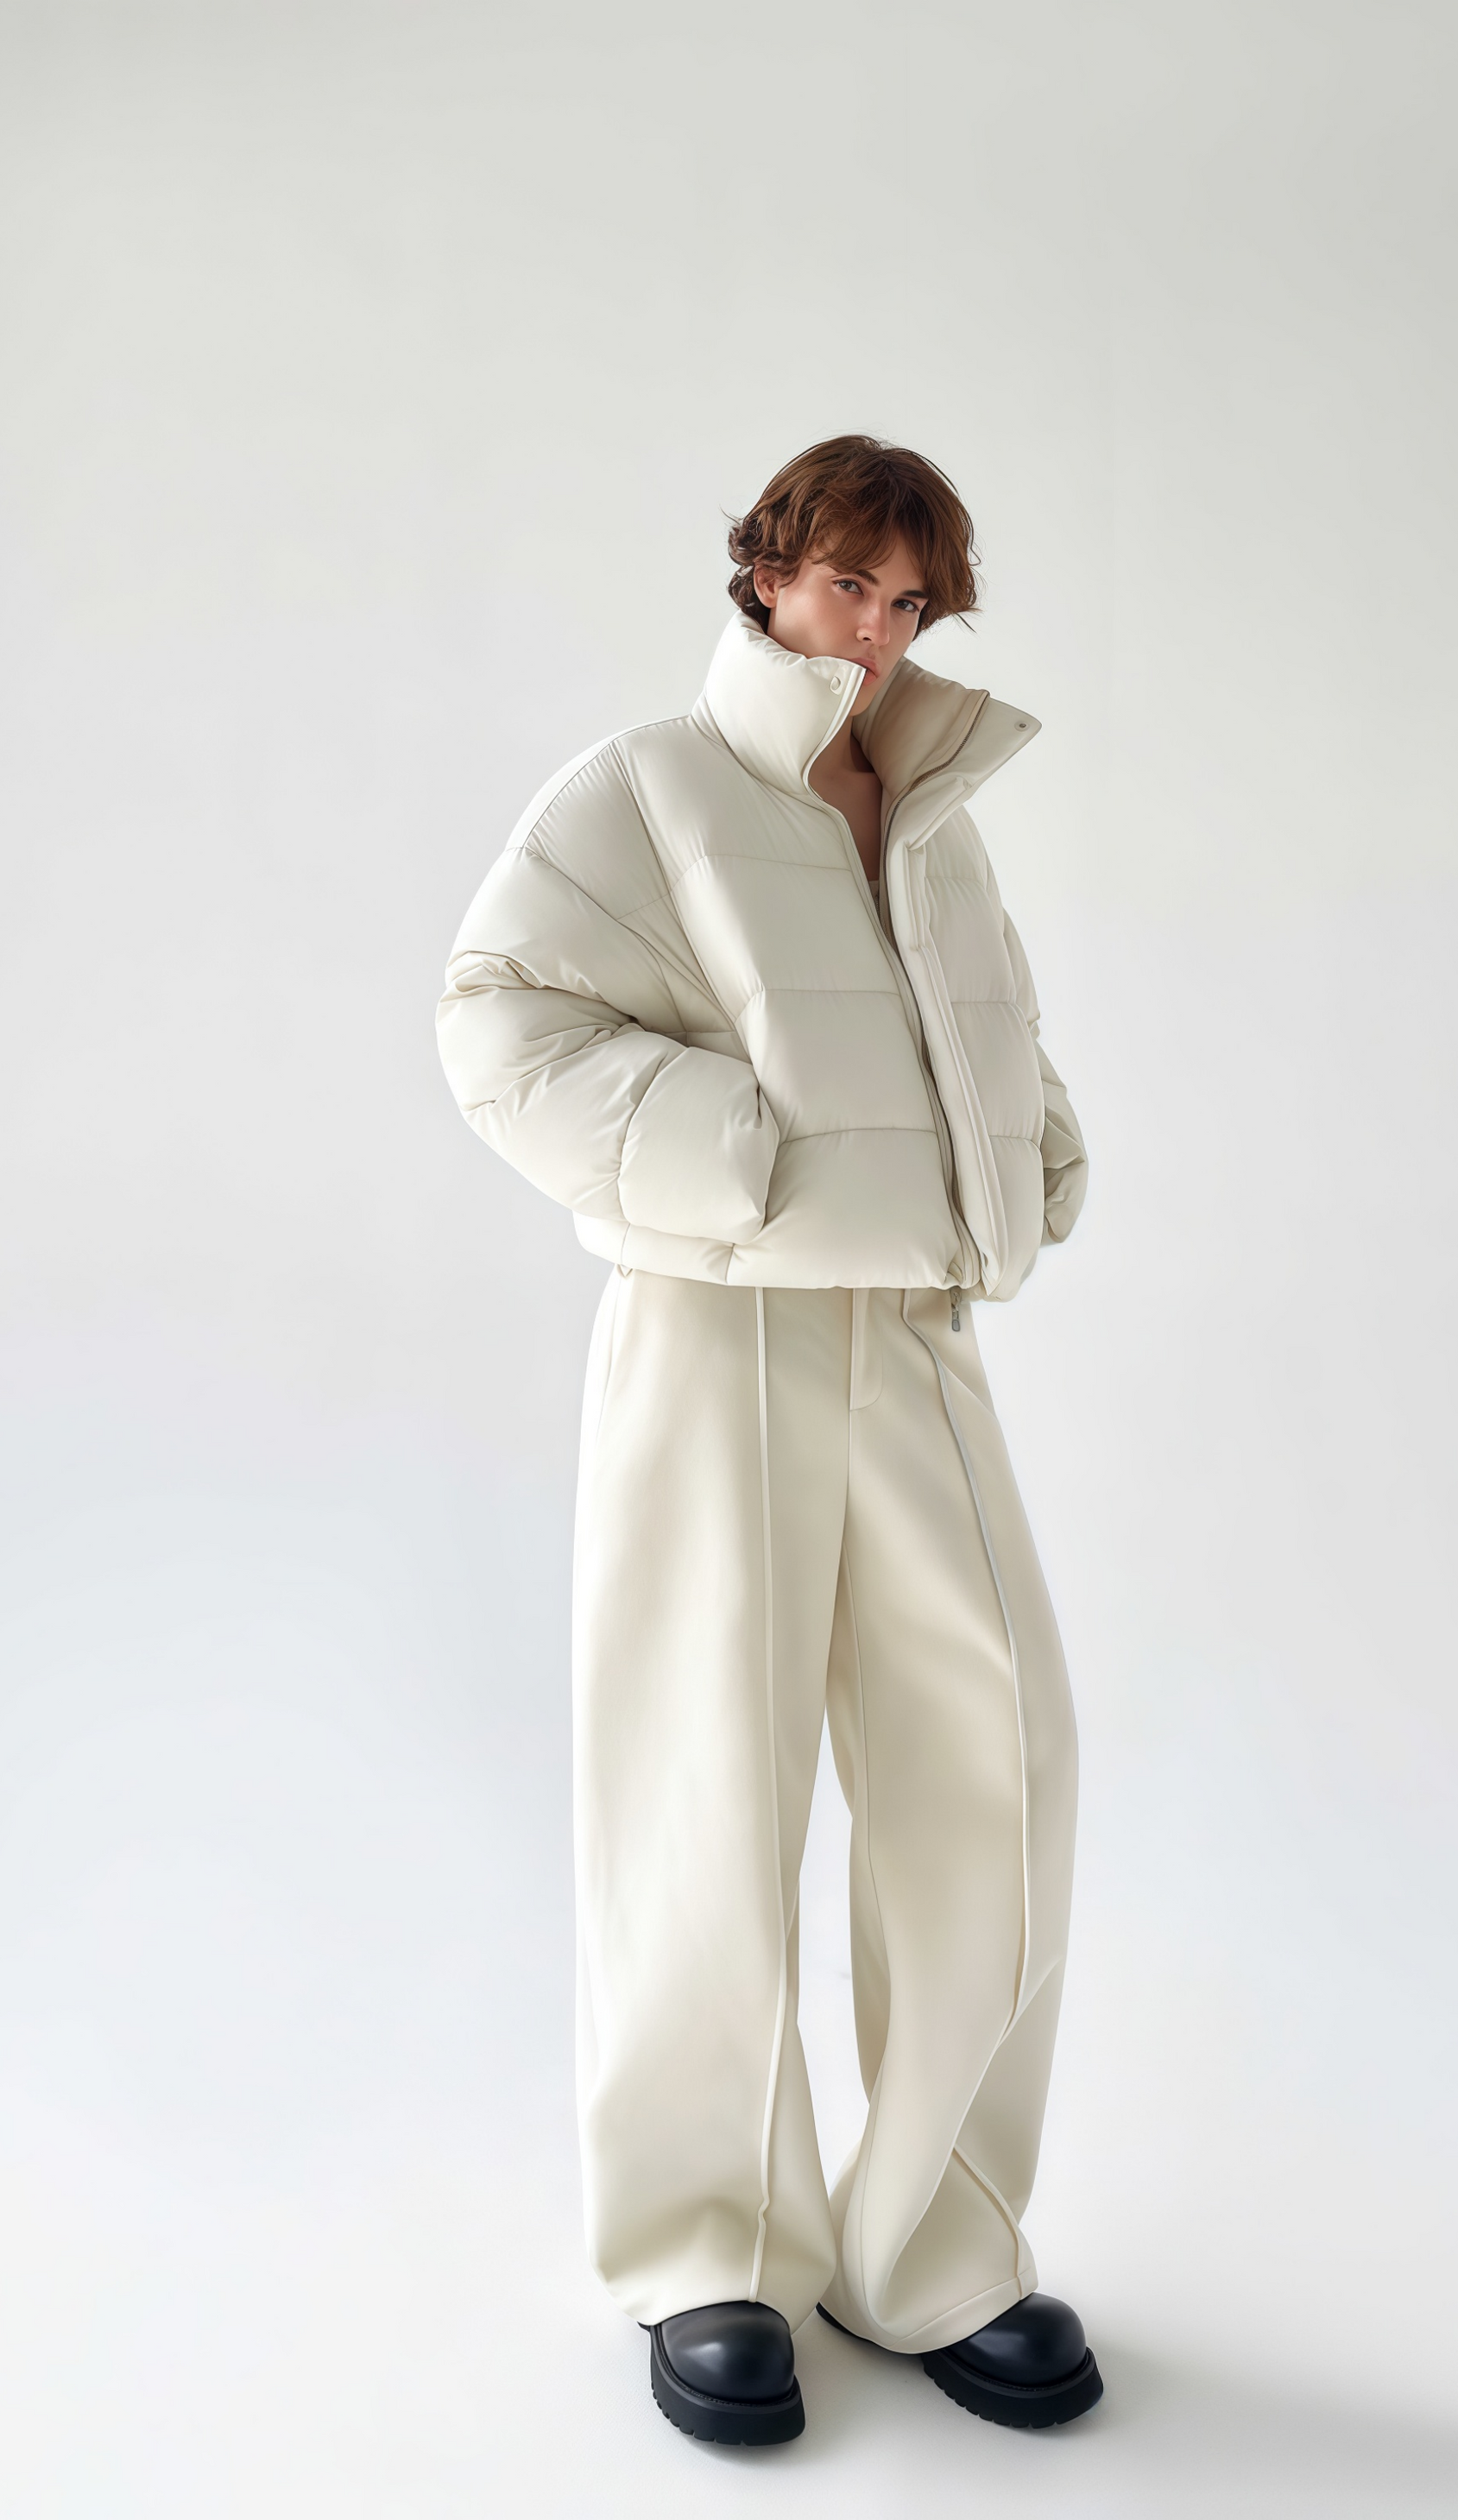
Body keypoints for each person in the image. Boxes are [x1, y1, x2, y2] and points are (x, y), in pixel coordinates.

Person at [436, 435, 1096, 2446]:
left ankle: (934, 2245)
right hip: (716, 1328)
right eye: (846, 586)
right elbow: (496, 1014)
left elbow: (976, 1026)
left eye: (909, 602)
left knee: (997, 1766)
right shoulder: (647, 787)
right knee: (700, 1781)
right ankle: (705, 2249)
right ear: (766, 571)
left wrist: (1031, 1156)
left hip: (913, 1333)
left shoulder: (933, 813)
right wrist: (739, 1160)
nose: (875, 630)